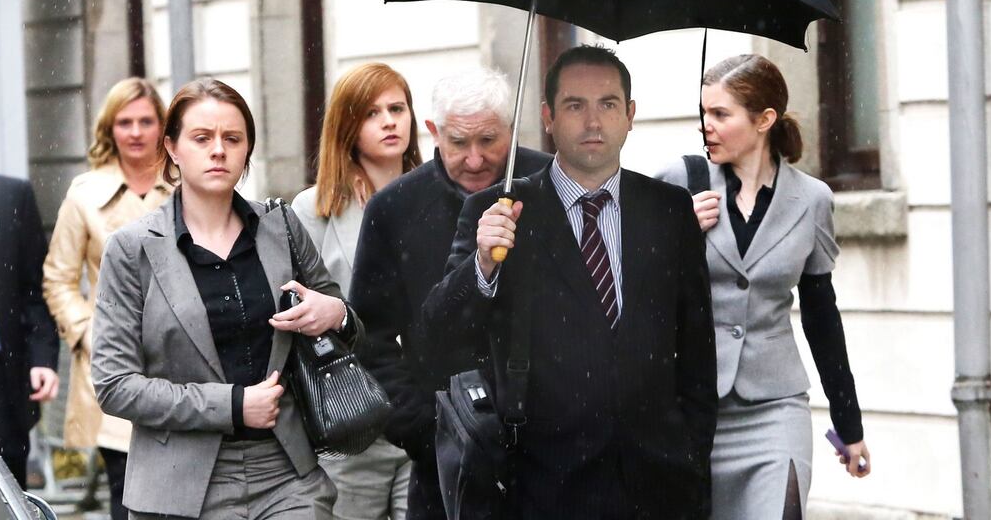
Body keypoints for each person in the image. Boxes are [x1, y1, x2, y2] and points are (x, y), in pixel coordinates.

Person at [423, 45, 717, 518]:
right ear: (548, 117)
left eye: (608, 104)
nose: (593, 122)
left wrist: (691, 455)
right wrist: (482, 264)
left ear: (631, 114)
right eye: (575, 105)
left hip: (659, 483)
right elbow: (437, 333)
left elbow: (698, 354)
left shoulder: (669, 211)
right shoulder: (500, 210)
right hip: (542, 484)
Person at [91, 78, 354, 519]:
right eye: (202, 138)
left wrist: (338, 314)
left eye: (233, 139)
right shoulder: (133, 248)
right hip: (181, 483)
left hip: (286, 472)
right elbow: (115, 385)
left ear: (247, 149)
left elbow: (349, 332)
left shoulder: (282, 227)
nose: (219, 150)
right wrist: (232, 406)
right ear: (172, 147)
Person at [656, 53, 871, 519]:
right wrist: (678, 238)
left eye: (719, 114)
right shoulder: (680, 182)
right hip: (690, 410)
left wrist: (848, 423)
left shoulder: (812, 200)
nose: (705, 126)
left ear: (764, 120)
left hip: (775, 408)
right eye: (703, 113)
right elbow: (636, 287)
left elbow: (821, 316)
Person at [350, 68, 551, 520]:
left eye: (490, 141)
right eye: (459, 143)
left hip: (553, 451)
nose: (476, 160)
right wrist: (426, 429)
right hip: (445, 457)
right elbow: (370, 340)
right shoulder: (394, 208)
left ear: (513, 131)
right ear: (434, 132)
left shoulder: (552, 184)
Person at [292, 63, 422, 520]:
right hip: (353, 412)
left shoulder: (438, 196)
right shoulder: (313, 209)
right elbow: (300, 313)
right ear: (347, 126)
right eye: (371, 113)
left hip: (426, 409)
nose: (389, 121)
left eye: (397, 108)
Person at [43, 77, 173, 519]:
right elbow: (58, 279)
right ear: (110, 129)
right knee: (127, 493)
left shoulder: (185, 187)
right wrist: (89, 335)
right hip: (114, 364)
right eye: (124, 122)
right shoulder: (84, 194)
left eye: (145, 121)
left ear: (162, 127)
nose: (135, 132)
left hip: (184, 364)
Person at [0, 175, 59, 488]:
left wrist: (43, 358)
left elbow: (36, 292)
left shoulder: (11, 196)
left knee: (10, 492)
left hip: (4, 379)